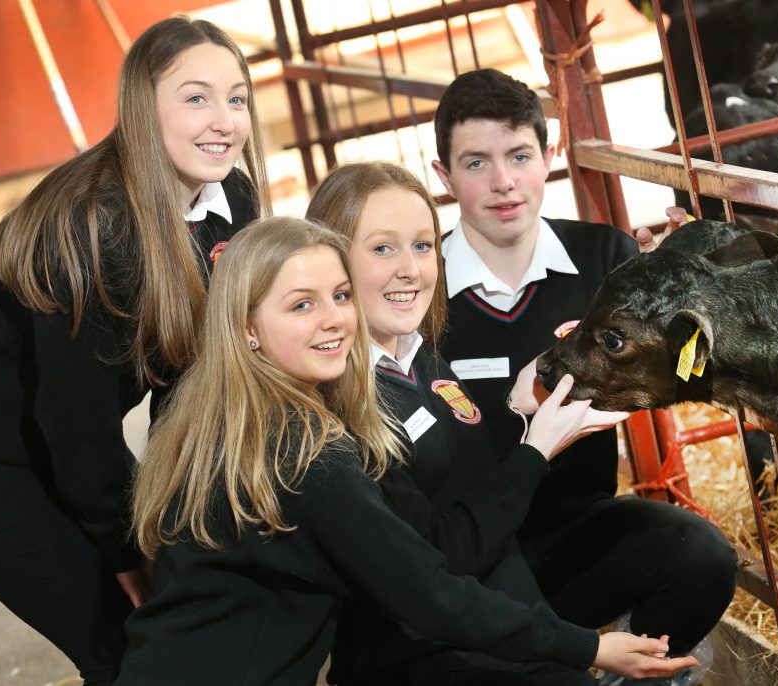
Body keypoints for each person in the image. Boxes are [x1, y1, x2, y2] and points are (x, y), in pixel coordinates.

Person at [116, 216, 697, 685]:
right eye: (301, 305)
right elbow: (430, 593)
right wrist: (589, 647)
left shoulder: (221, 417)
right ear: (247, 328)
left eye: (340, 296)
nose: (334, 320)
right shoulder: (303, 452)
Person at [0, 16, 268, 684]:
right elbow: (78, 429)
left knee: (179, 609)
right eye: (196, 97)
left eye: (236, 98)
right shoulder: (96, 230)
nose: (224, 121)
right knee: (120, 642)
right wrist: (127, 552)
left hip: (59, 431)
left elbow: (189, 378)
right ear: (141, 107)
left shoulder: (231, 200)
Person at [431, 68, 738, 681]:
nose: (503, 181)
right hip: (465, 554)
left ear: (549, 157)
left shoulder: (606, 258)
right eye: (476, 163)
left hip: (575, 528)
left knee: (700, 556)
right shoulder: (422, 287)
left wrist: (692, 286)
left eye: (520, 156)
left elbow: (689, 363)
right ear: (444, 177)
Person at [307, 161, 654, 686]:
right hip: (422, 658)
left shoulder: (419, 355)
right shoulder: (340, 410)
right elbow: (442, 559)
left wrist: (518, 412)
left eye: (423, 245)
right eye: (382, 248)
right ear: (332, 261)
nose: (410, 269)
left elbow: (469, 489)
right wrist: (537, 450)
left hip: (497, 633)